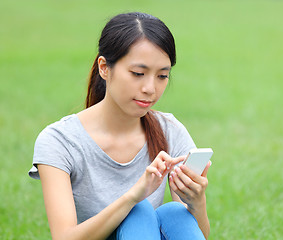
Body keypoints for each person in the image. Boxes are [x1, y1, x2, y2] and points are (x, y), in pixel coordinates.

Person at [29, 12, 211, 240]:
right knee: (139, 211)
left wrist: (197, 202)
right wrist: (133, 196)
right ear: (104, 68)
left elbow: (196, 233)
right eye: (138, 73)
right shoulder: (59, 140)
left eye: (162, 76)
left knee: (176, 212)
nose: (150, 88)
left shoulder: (170, 131)